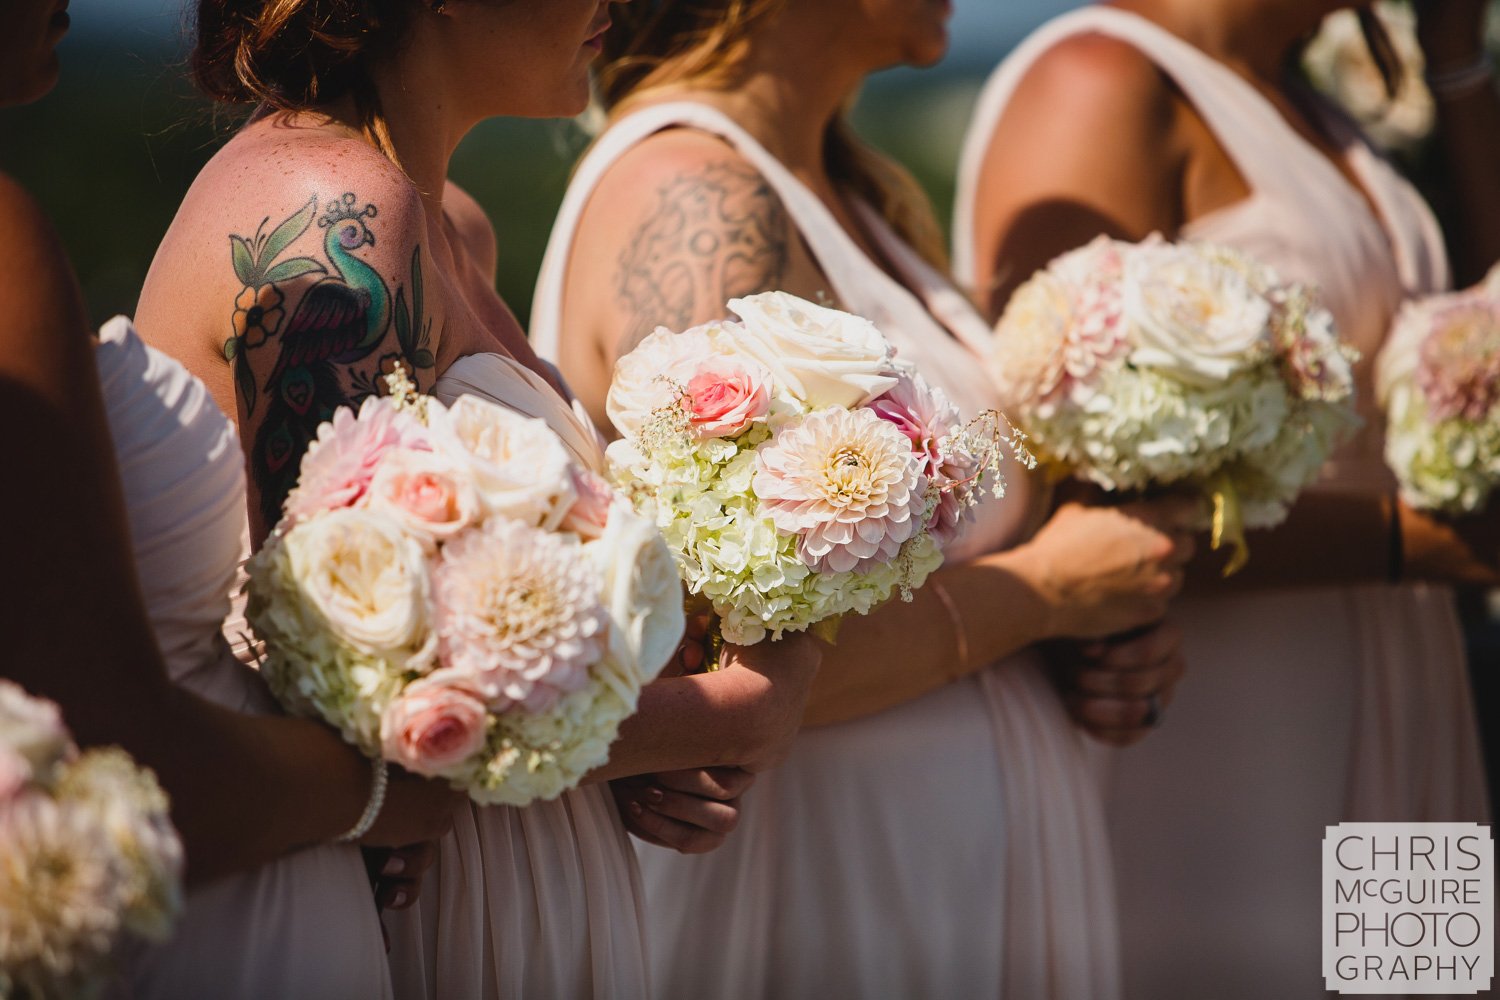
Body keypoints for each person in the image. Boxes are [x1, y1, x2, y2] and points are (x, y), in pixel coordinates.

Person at [133, 0, 823, 996]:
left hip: (530, 867)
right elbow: (359, 695)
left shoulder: (449, 225)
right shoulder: (329, 217)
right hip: (417, 912)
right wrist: (738, 709)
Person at [533, 2, 1202, 995]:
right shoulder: (694, 198)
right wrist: (1051, 591)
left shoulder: (844, 192)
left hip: (951, 862)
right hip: (824, 883)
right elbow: (726, 658)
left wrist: (1089, 628)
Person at [954, 1, 1497, 995]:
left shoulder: (1316, 106)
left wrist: (1458, 61)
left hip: (1408, 667)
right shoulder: (1099, 84)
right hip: (1222, 729)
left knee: (1426, 978)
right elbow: (1073, 500)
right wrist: (1425, 543)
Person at [0, 4, 457, 998]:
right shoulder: (5, 246)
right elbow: (114, 752)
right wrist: (386, 790)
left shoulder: (438, 223)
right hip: (235, 915)